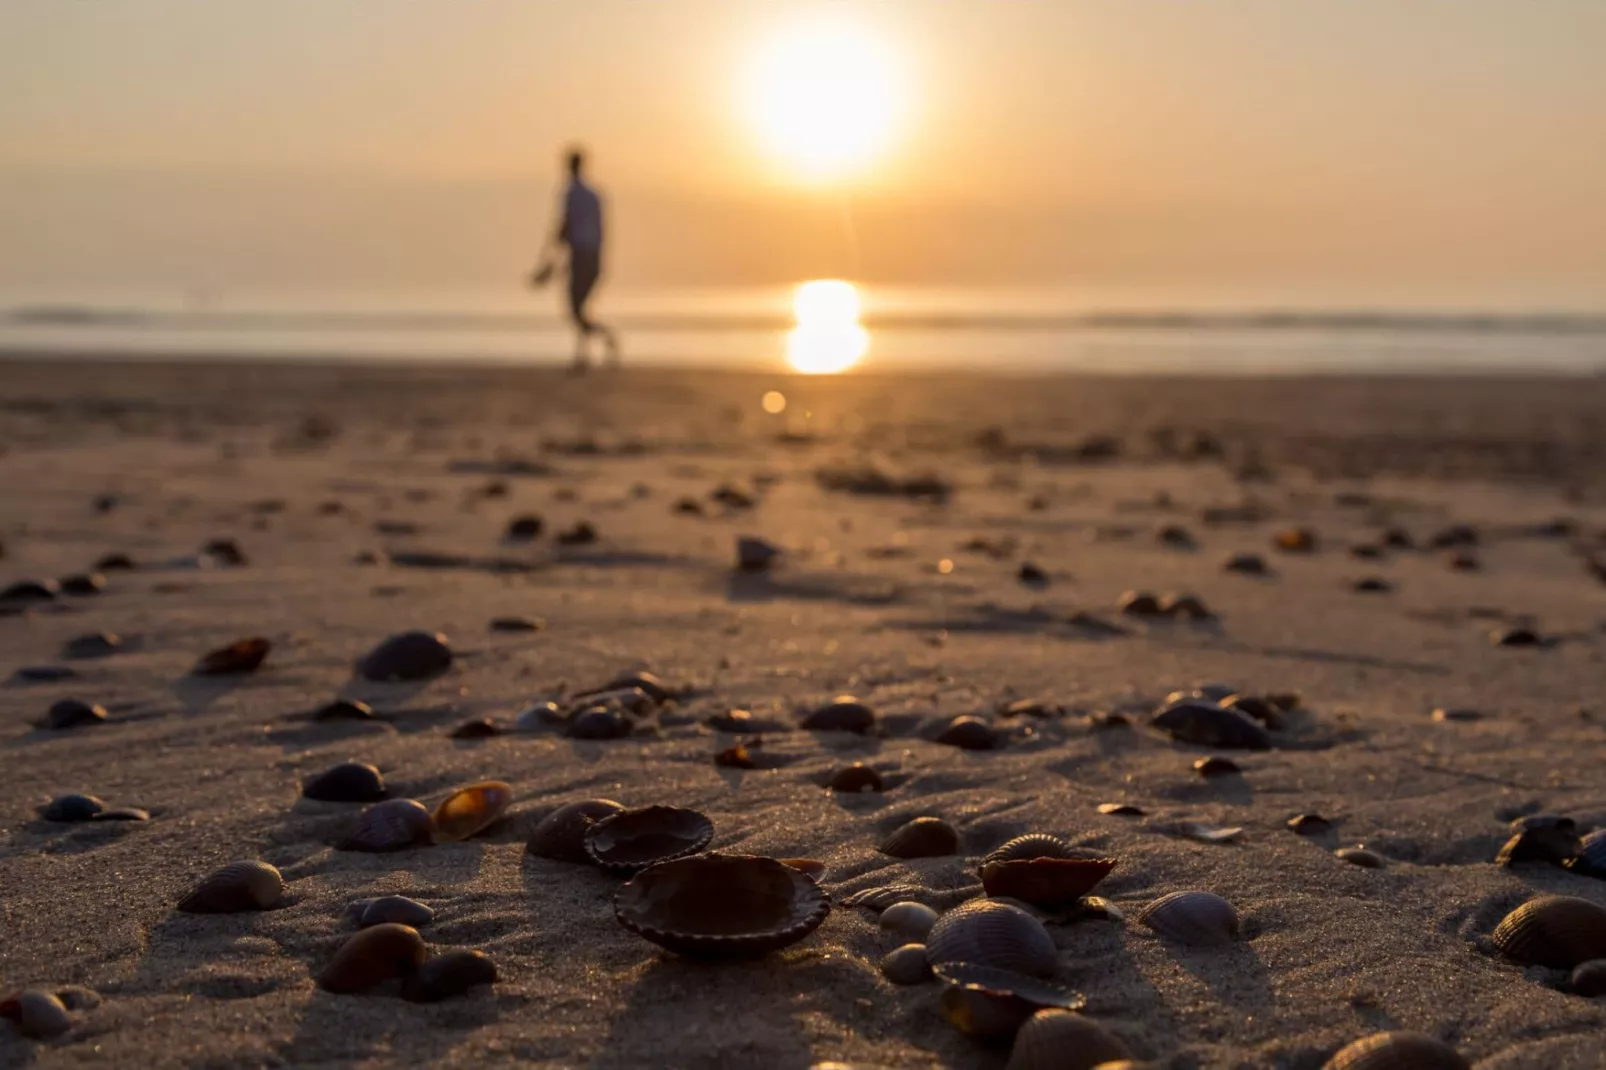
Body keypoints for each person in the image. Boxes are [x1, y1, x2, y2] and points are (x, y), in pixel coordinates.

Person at [532, 147, 618, 371]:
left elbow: (563, 225)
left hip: (580, 255)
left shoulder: (572, 193)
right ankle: (588, 350)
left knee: (575, 307)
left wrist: (547, 258)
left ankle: (595, 345)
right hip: (592, 255)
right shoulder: (594, 195)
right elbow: (601, 230)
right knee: (580, 307)